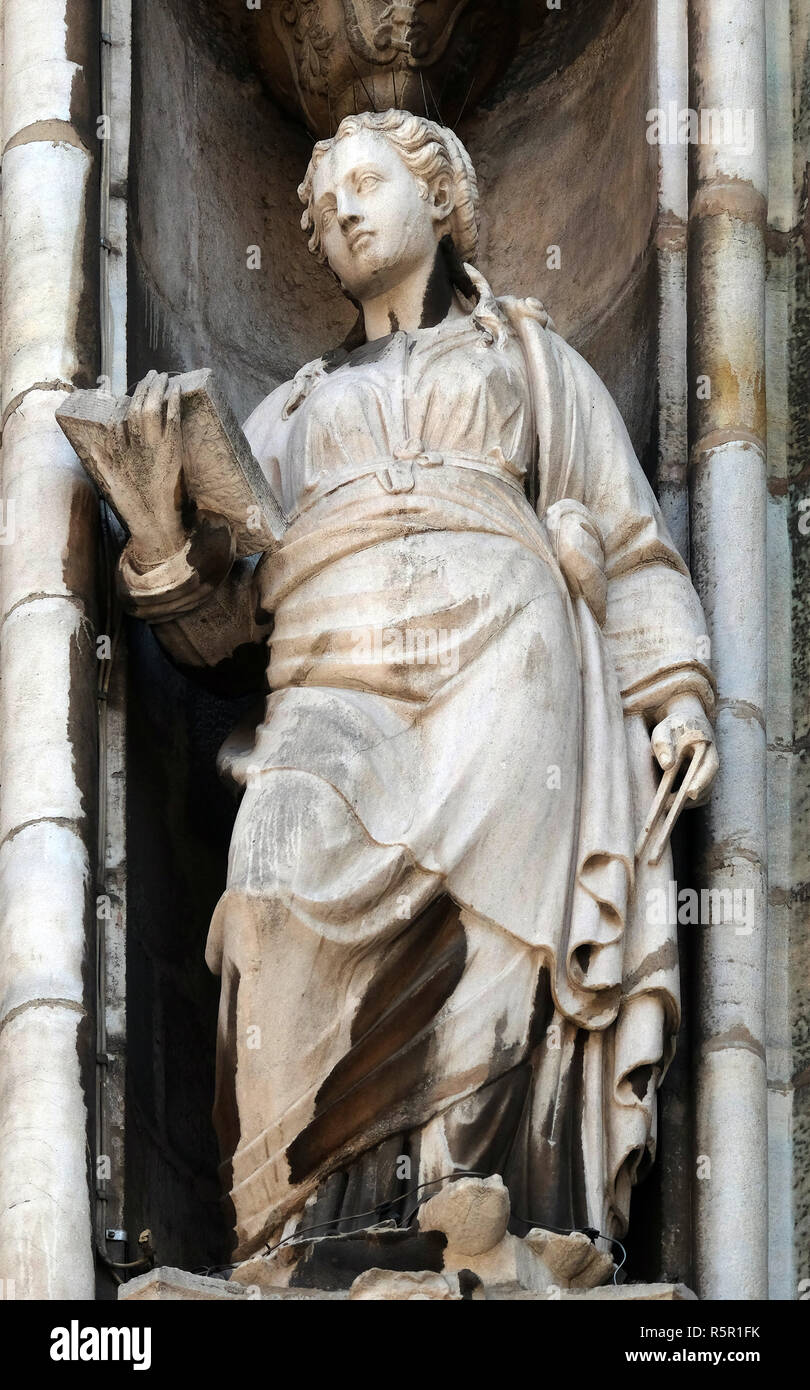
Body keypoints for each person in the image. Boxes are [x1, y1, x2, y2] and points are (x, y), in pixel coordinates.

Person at [115, 110, 718, 1262]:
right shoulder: (286, 414)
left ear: (439, 197)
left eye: (364, 181)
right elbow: (216, 636)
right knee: (266, 893)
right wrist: (157, 538)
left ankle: (467, 1200)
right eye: (322, 201)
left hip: (510, 669)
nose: (340, 209)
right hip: (328, 692)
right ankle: (288, 1233)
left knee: (496, 933)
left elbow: (634, 547)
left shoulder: (532, 361)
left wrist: (676, 691)